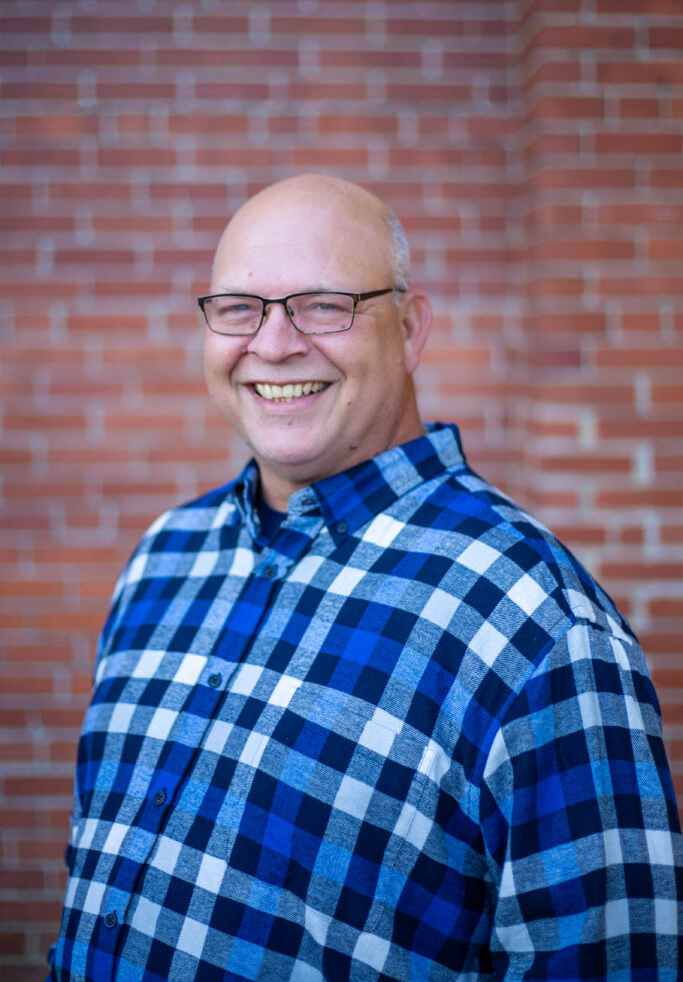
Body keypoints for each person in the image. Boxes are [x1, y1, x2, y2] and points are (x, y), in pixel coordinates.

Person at [49, 174, 681, 982]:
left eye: (323, 304)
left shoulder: (539, 628)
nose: (272, 345)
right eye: (240, 307)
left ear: (411, 328)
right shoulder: (165, 558)